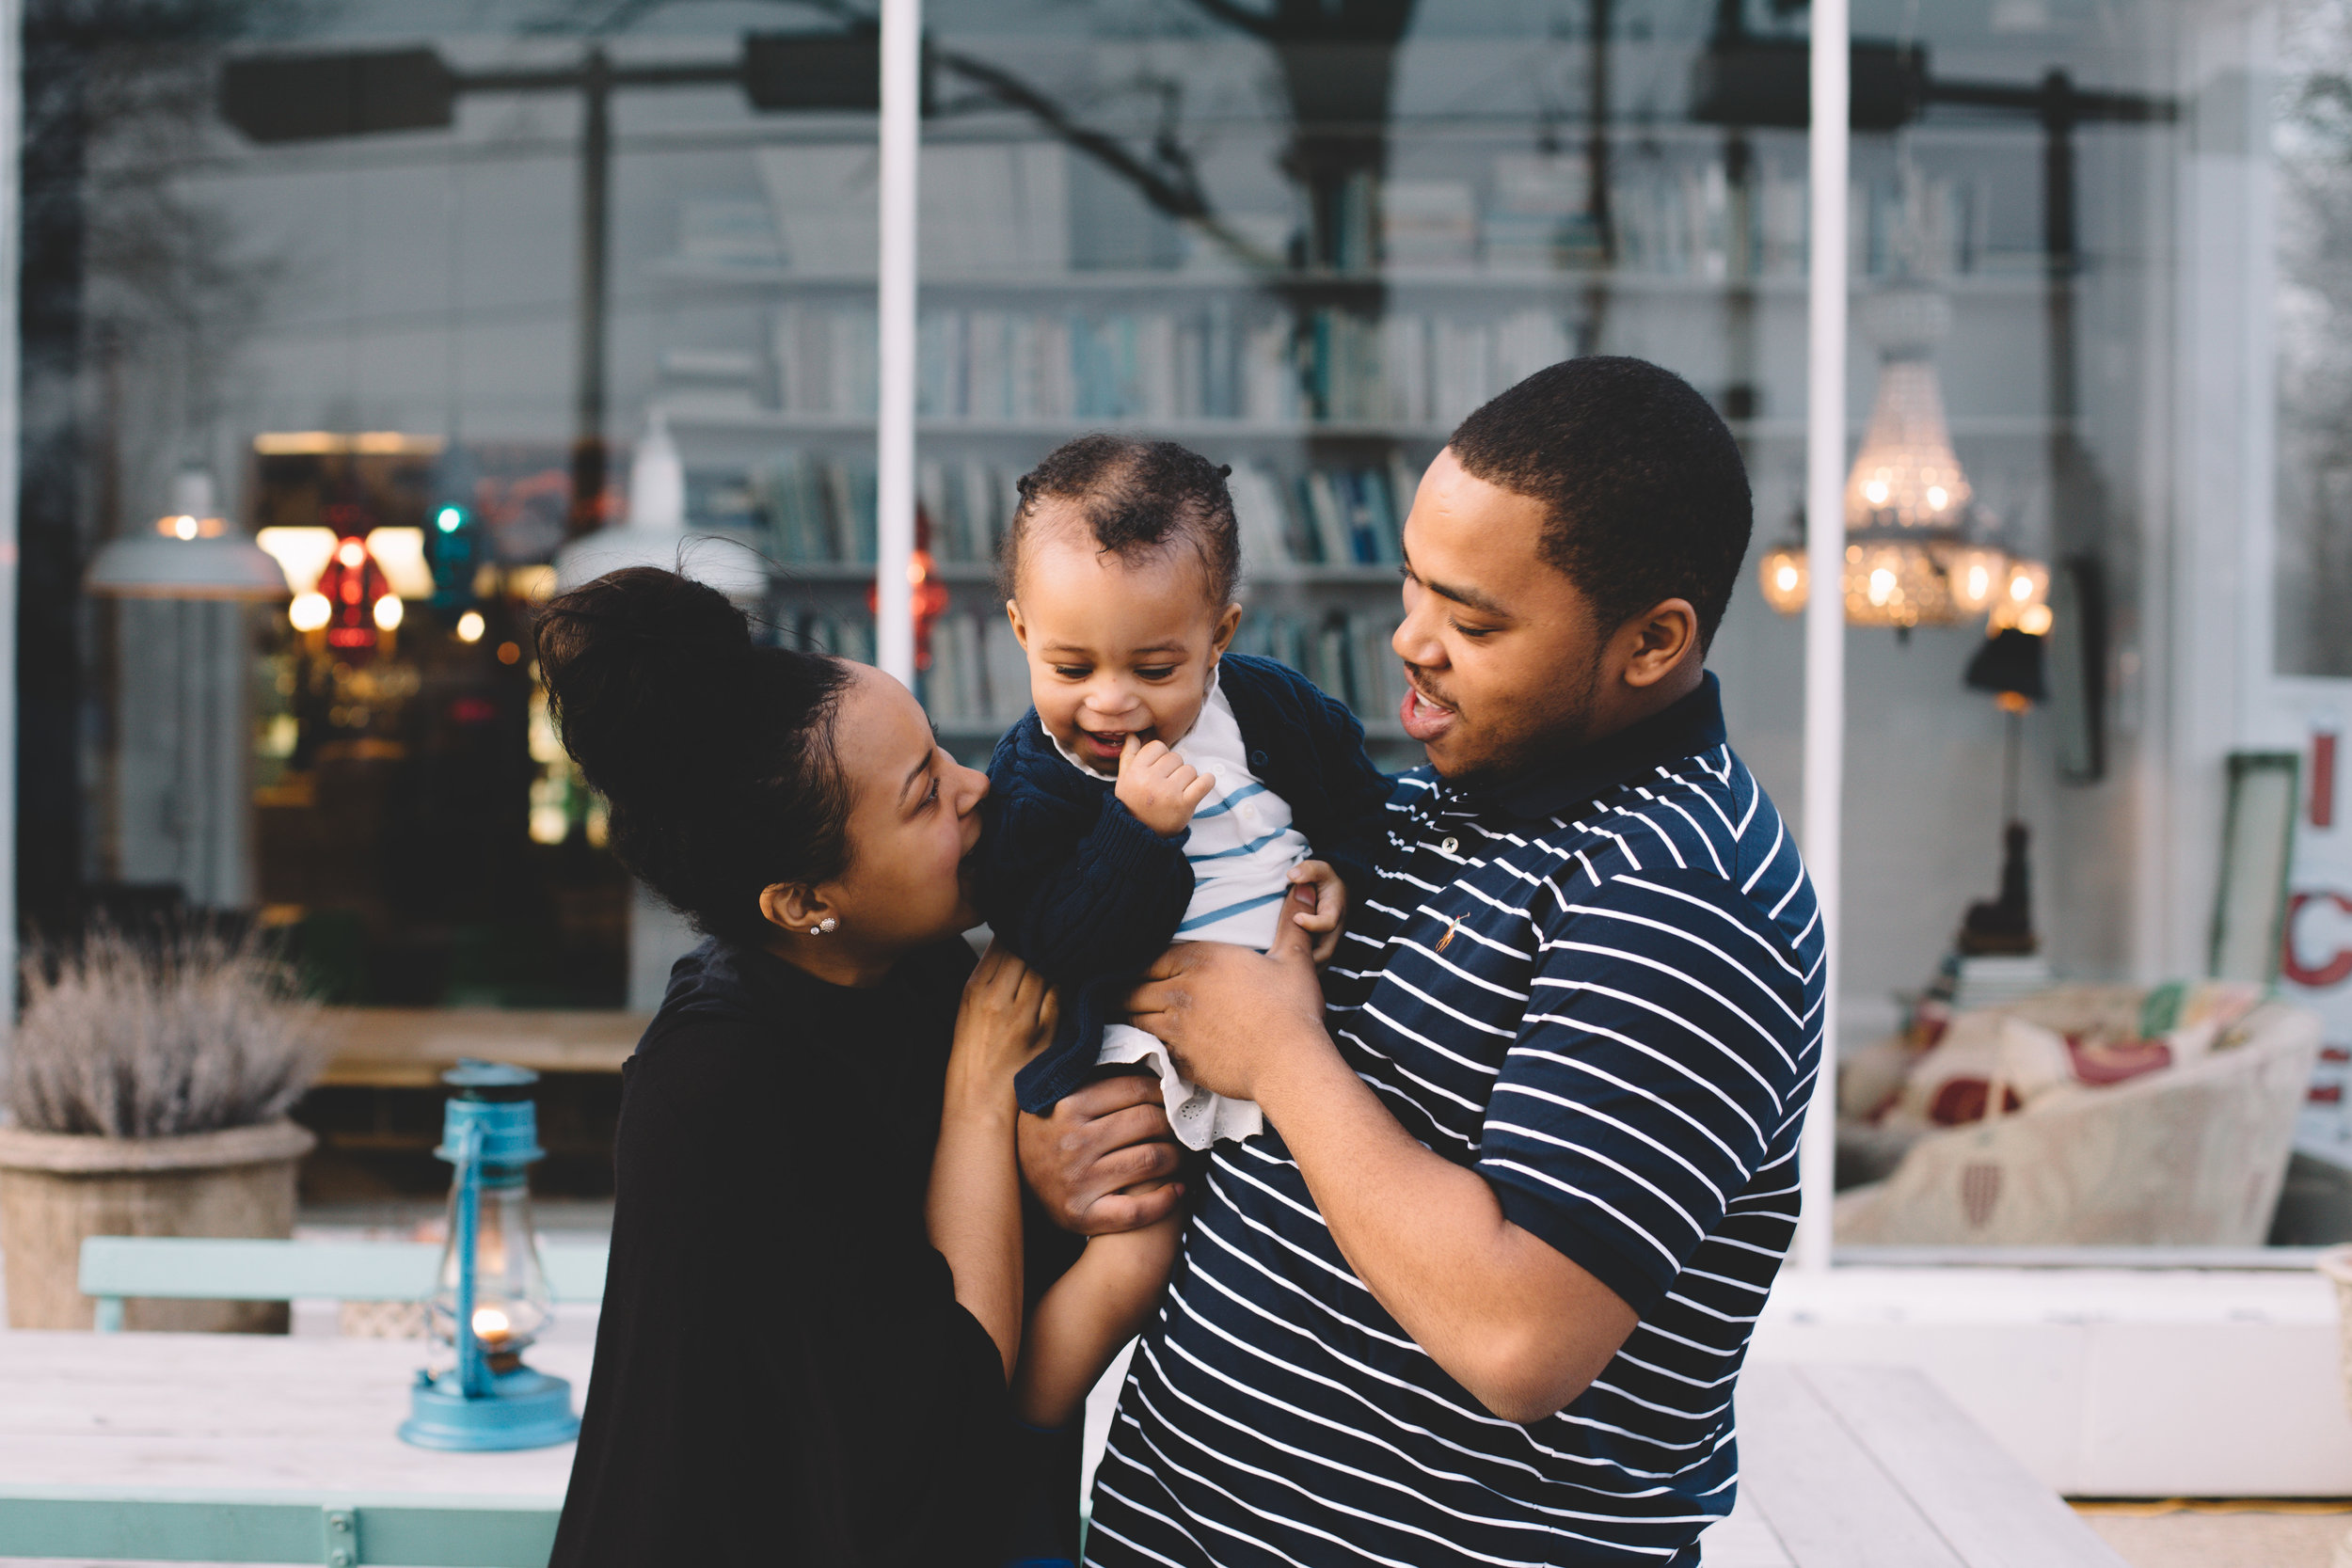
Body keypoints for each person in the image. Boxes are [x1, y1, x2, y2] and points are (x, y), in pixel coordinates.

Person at [1089, 356, 1824, 1567]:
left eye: (1474, 620)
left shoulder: (1681, 890)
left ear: (1653, 640)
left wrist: (1278, 1053)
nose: (1411, 643)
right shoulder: (1444, 802)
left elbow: (1518, 1335)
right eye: (1414, 588)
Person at [533, 567, 1174, 1565]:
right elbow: (948, 1402)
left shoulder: (909, 964)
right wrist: (978, 1093)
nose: (978, 788)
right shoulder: (714, 1084)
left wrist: (1038, 1176)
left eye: (940, 756)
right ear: (800, 901)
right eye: (925, 796)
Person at [975, 435, 1394, 1439]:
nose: (1111, 701)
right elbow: (1058, 938)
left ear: (1218, 635)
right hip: (1135, 1048)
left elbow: (1358, 797)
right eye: (1069, 665)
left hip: (1290, 1025)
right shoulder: (1035, 784)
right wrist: (1134, 831)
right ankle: (998, 1437)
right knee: (1136, 1248)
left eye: (1155, 665)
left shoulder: (1271, 709)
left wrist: (1344, 864)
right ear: (1021, 631)